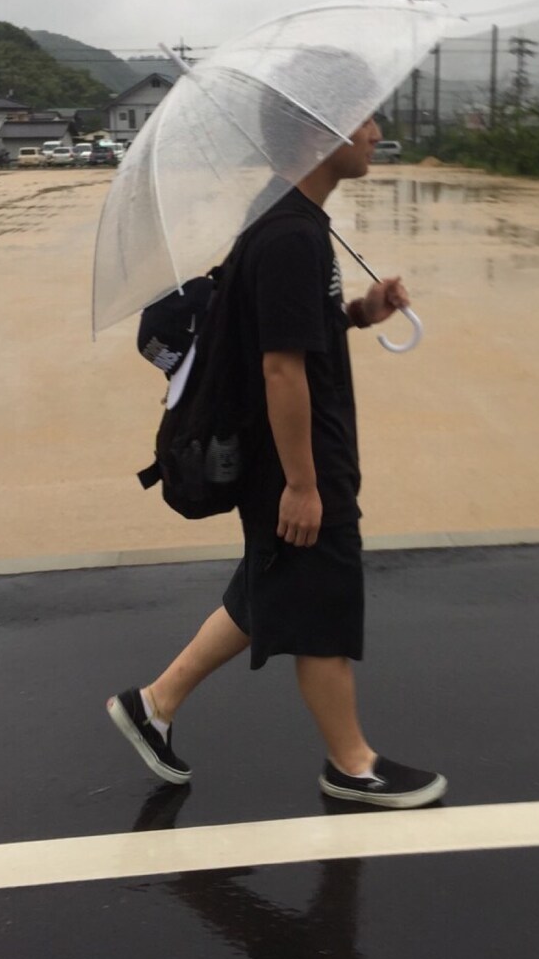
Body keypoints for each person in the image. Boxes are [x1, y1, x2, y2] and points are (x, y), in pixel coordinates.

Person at [108, 110, 447, 808]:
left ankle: (155, 704)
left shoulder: (289, 221)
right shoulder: (291, 235)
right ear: (320, 133)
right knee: (322, 599)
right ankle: (352, 765)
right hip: (298, 461)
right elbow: (280, 368)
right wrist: (302, 484)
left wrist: (361, 312)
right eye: (364, 120)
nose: (376, 134)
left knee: (271, 584)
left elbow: (292, 328)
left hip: (292, 458)